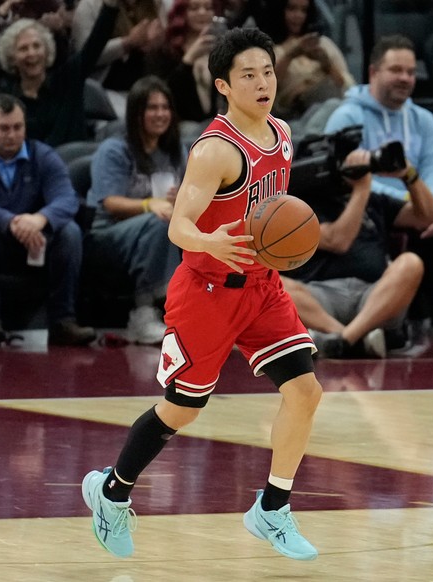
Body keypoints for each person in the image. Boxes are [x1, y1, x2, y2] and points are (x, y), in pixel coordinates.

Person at [82, 27, 322, 561]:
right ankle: (112, 491)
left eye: (268, 71)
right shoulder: (215, 150)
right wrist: (208, 238)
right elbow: (177, 225)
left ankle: (273, 508)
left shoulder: (282, 132)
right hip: (208, 289)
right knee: (183, 408)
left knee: (305, 392)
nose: (262, 83)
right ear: (223, 86)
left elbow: (271, 212)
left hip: (261, 287)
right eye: (248, 76)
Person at [324, 35, 433, 341]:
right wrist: (410, 204)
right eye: (396, 70)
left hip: (418, 199)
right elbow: (339, 181)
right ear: (373, 73)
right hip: (368, 207)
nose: (405, 78)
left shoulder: (423, 119)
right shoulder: (347, 116)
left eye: (410, 72)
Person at [0, 93, 96, 348]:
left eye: (18, 127)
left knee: (69, 231)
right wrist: (12, 221)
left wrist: (40, 219)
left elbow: (67, 198)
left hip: (34, 240)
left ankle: (63, 321)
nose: (12, 135)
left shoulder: (42, 155)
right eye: (4, 128)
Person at [280, 142, 433, 359]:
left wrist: (409, 175)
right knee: (276, 283)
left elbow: (428, 217)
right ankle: (352, 338)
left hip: (374, 299)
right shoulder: (299, 207)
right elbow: (338, 240)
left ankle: (343, 341)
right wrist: (362, 190)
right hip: (320, 299)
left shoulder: (375, 201)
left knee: (411, 262)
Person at [84, 76, 185, 345]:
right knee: (161, 220)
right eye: (152, 108)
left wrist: (185, 198)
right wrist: (148, 204)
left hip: (159, 227)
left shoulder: (176, 151)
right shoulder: (114, 150)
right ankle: (143, 312)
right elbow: (109, 203)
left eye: (165, 108)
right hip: (108, 234)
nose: (160, 114)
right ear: (136, 112)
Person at [0, 0, 118, 146]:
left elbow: (96, 43)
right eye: (23, 49)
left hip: (77, 162)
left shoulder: (68, 78)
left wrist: (110, 6)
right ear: (11, 58)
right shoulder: (7, 100)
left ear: (46, 50)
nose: (32, 53)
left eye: (37, 46)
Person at [263, 0, 354, 121]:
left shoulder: (324, 44)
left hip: (331, 100)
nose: (298, 16)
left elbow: (345, 85)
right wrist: (291, 55)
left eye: (303, 10)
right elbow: (266, 86)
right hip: (294, 112)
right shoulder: (268, 49)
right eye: (292, 9)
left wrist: (325, 63)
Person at [145, 0, 223, 124]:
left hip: (212, 121)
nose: (202, 12)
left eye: (208, 8)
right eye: (194, 8)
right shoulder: (164, 50)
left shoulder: (220, 48)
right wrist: (188, 61)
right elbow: (164, 94)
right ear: (182, 12)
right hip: (178, 123)